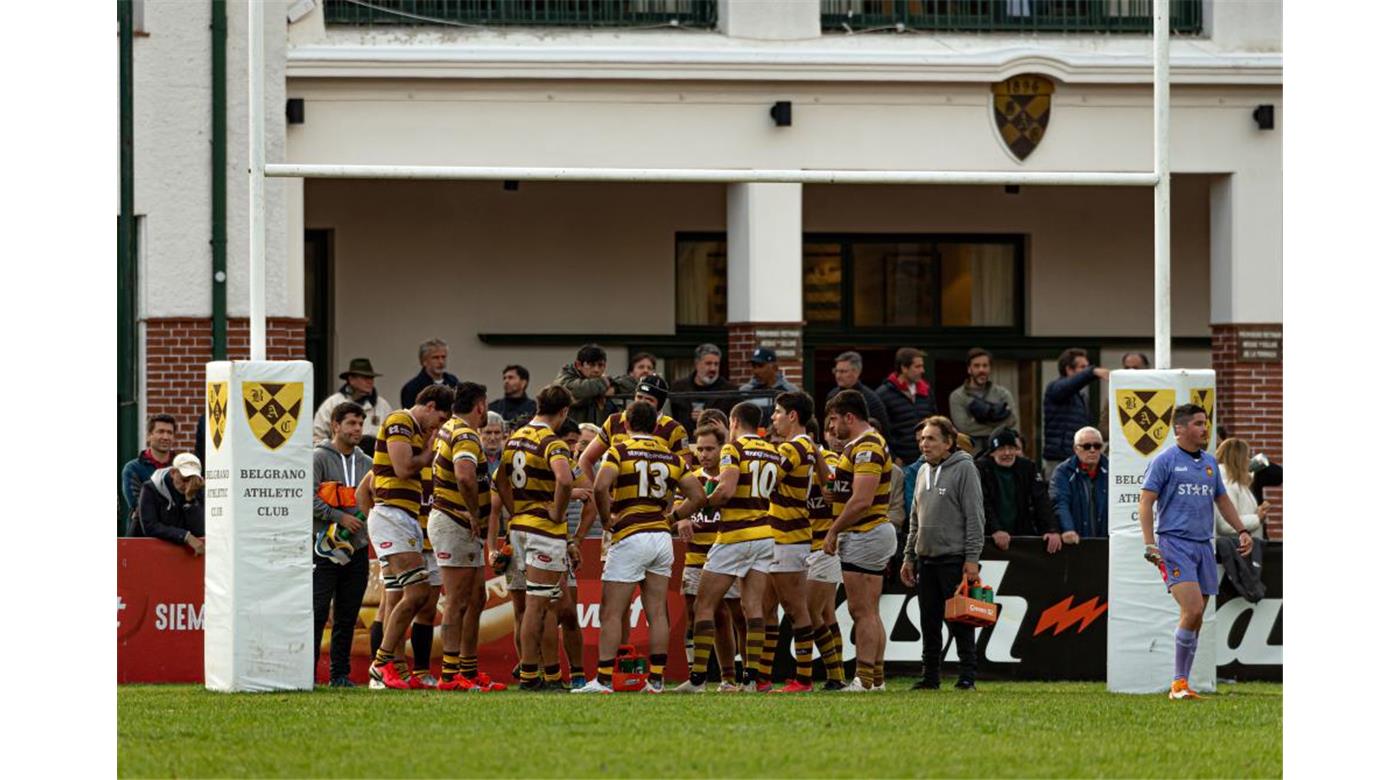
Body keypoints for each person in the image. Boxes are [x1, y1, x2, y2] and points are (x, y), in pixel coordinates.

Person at [575, 402, 706, 694]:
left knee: (611, 610)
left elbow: (599, 486)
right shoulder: (671, 455)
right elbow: (697, 495)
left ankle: (605, 680)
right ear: (655, 425)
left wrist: (608, 519)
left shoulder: (620, 451)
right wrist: (672, 518)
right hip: (661, 537)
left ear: (628, 422)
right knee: (657, 610)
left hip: (630, 534)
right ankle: (656, 680)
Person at [1140, 404, 1253, 700]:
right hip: (1174, 544)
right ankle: (1178, 684)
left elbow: (1222, 500)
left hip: (1204, 545)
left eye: (1206, 424)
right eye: (1199, 424)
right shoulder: (1164, 461)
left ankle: (1183, 684)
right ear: (1180, 429)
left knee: (1196, 615)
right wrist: (1149, 543)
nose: (1205, 429)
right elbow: (1145, 502)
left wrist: (1242, 529)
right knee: (1191, 609)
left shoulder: (1209, 463)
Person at [676, 402, 782, 693]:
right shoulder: (773, 451)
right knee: (753, 607)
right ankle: (751, 678)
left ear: (734, 421)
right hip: (764, 533)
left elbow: (725, 491)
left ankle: (697, 679)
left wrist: (701, 502)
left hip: (735, 535)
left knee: (704, 605)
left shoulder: (733, 449)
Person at [366, 384, 453, 690]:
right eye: (440, 419)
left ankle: (397, 669)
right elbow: (403, 468)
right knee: (414, 595)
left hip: (405, 518)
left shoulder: (415, 429)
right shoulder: (400, 421)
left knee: (400, 599)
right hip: (392, 516)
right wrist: (428, 454)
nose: (438, 427)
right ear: (429, 405)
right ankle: (381, 664)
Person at [493, 385, 577, 690]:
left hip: (518, 529)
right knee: (539, 606)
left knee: (535, 605)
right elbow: (565, 479)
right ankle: (530, 675)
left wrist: (516, 508)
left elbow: (499, 479)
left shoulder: (515, 437)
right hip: (544, 532)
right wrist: (556, 511)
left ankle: (550, 675)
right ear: (564, 411)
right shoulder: (552, 442)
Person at [901, 416, 985, 690]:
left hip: (954, 558)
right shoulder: (923, 471)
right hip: (926, 559)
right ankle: (930, 676)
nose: (924, 444)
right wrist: (908, 557)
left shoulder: (965, 469)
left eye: (931, 439)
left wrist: (971, 559)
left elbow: (975, 517)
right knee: (929, 622)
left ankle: (967, 676)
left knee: (962, 620)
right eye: (922, 439)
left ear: (948, 442)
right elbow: (915, 518)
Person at [822, 389, 897, 693]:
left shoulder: (867, 445)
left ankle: (864, 679)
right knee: (870, 609)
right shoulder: (863, 445)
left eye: (835, 419)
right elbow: (852, 493)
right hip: (871, 532)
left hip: (865, 531)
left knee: (861, 610)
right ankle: (875, 677)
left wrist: (833, 530)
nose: (833, 427)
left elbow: (862, 500)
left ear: (849, 417)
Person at [427, 383, 499, 692]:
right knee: (456, 601)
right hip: (455, 522)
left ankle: (467, 672)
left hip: (455, 522)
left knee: (476, 598)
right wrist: (473, 512)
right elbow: (465, 475)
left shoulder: (450, 428)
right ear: (480, 405)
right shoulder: (466, 434)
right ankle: (450, 673)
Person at [676, 422, 745, 689]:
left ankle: (736, 677)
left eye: (710, 449)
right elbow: (675, 507)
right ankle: (698, 678)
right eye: (700, 449)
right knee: (697, 616)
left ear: (722, 448)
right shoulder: (691, 478)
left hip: (728, 553)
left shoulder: (732, 477)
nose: (704, 454)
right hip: (696, 556)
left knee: (737, 616)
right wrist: (680, 521)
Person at [763, 391, 823, 693]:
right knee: (768, 606)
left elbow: (766, 479)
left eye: (776, 412)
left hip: (789, 536)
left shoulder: (794, 447)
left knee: (794, 607)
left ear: (792, 416)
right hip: (783, 534)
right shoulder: (807, 446)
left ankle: (804, 678)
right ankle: (762, 677)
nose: (773, 417)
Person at [312, 402, 373, 688]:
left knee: (347, 615)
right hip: (323, 548)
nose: (357, 429)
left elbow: (377, 499)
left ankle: (339, 675)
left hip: (357, 550)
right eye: (351, 423)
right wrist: (339, 518)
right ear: (335, 425)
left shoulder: (367, 464)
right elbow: (307, 499)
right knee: (318, 612)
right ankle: (306, 673)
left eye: (360, 424)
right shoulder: (318, 459)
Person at [806, 413, 847, 690]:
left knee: (811, 613)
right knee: (827, 614)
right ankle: (837, 676)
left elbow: (833, 492)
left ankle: (835, 676)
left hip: (824, 545)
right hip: (802, 545)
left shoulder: (830, 461)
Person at [977, 429, 1060, 554]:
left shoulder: (1028, 467)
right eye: (1001, 449)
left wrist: (1051, 529)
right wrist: (995, 529)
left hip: (1021, 535)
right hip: (988, 539)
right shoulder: (979, 469)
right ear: (992, 452)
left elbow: (1041, 499)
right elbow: (982, 502)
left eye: (1011, 448)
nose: (1007, 453)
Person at [1042, 348, 1109, 481]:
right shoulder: (1055, 388)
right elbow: (1067, 386)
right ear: (1069, 369)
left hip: (1076, 457)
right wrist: (1092, 372)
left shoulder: (1080, 397)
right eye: (1082, 367)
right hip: (1059, 459)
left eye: (1087, 367)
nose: (1086, 370)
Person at [312, 358, 395, 455]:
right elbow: (317, 437)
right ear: (351, 379)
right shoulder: (332, 404)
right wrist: (332, 456)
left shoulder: (383, 406)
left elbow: (392, 438)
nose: (370, 381)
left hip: (374, 462)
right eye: (365, 378)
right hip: (340, 461)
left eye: (371, 378)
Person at [130, 452, 205, 555]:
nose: (187, 485)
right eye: (184, 479)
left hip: (179, 555)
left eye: (192, 480)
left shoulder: (196, 489)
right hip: (145, 552)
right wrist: (185, 536)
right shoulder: (150, 488)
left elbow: (199, 530)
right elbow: (150, 526)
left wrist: (190, 501)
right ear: (173, 473)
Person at [949, 348, 1018, 453]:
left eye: (985, 366)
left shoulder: (1003, 393)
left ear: (990, 368)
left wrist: (976, 421)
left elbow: (1012, 420)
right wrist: (998, 420)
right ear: (969, 369)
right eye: (977, 366)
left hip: (998, 453)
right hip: (972, 454)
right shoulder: (958, 396)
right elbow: (965, 427)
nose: (981, 370)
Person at [875, 347, 937, 466]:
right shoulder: (884, 394)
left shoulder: (926, 391)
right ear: (904, 368)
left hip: (927, 458)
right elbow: (881, 431)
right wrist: (893, 457)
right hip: (901, 461)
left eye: (922, 366)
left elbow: (934, 422)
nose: (922, 370)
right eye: (917, 367)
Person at [1051, 427, 1109, 542]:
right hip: (1075, 543)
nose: (1092, 450)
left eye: (1097, 446)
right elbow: (1060, 502)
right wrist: (1068, 529)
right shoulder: (1063, 472)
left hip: (1107, 543)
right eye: (1087, 446)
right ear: (1076, 449)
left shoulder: (1112, 470)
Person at [670, 343, 738, 437]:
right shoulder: (678, 388)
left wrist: (707, 418)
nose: (713, 369)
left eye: (716, 364)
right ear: (697, 364)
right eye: (708, 363)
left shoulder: (730, 391)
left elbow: (735, 426)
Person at [121, 414, 176, 521]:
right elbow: (139, 505)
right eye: (160, 431)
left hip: (178, 535)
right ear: (149, 435)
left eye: (169, 433)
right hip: (142, 534)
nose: (165, 437)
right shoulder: (132, 469)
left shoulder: (181, 467)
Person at [823, 351, 892, 437]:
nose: (838, 375)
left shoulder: (871, 399)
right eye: (836, 371)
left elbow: (882, 431)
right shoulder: (832, 395)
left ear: (856, 372)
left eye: (843, 371)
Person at [554, 344, 616, 427]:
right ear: (578, 365)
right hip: (570, 434)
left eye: (600, 365)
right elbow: (579, 389)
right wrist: (604, 382)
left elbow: (630, 382)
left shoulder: (604, 382)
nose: (596, 370)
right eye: (591, 365)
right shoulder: (564, 379)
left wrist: (615, 388)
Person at [399, 338, 459, 410]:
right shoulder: (412, 388)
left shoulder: (453, 382)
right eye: (435, 358)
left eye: (443, 357)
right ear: (424, 361)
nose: (441, 361)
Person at [738, 348, 799, 417]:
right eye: (754, 366)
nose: (756, 371)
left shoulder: (790, 391)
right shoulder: (745, 391)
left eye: (760, 366)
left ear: (774, 367)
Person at [488, 365, 536, 431]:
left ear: (523, 383)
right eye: (504, 378)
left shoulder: (533, 408)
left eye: (511, 378)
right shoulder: (493, 407)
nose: (506, 381)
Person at [481, 411, 505, 476]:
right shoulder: (474, 457)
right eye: (488, 432)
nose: (492, 438)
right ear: (480, 433)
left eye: (497, 432)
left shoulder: (509, 457)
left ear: (503, 434)